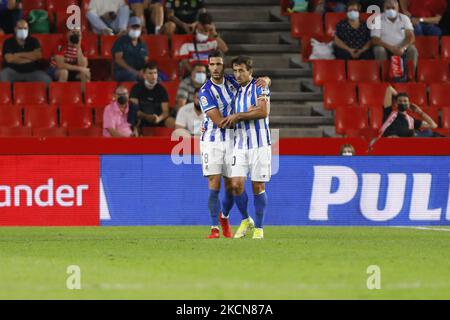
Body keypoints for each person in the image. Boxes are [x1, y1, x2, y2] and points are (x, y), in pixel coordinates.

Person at [199, 51, 271, 239]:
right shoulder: (206, 91)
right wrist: (239, 115)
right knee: (215, 183)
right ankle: (215, 228)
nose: (215, 68)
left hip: (236, 140)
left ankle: (227, 218)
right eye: (212, 64)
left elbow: (259, 86)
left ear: (223, 66)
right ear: (208, 67)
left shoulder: (234, 83)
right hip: (214, 141)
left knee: (232, 185)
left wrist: (266, 79)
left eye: (219, 64)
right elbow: (220, 121)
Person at [220, 56, 271, 240]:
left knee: (258, 185)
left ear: (250, 71)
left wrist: (239, 116)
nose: (238, 74)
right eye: (235, 70)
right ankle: (245, 219)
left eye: (242, 70)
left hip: (260, 144)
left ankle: (259, 228)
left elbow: (263, 111)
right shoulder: (236, 92)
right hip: (240, 145)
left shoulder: (260, 86)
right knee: (235, 184)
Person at [0, 20, 51, 84]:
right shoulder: (8, 42)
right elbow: (9, 59)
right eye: (20, 28)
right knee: (3, 76)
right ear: (15, 29)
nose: (23, 30)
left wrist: (18, 55)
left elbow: (38, 56)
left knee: (46, 79)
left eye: (25, 28)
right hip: (13, 71)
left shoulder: (34, 41)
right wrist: (30, 58)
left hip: (32, 71)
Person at [371, 0, 418, 70]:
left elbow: (411, 36)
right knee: (379, 50)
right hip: (385, 47)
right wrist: (391, 48)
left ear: (398, 8)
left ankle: (411, 75)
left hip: (402, 47)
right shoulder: (377, 19)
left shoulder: (405, 18)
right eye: (388, 8)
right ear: (383, 8)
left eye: (393, 8)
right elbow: (375, 39)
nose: (391, 10)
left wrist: (403, 48)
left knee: (413, 50)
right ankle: (384, 76)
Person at [129, 62, 174, 130]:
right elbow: (134, 110)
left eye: (155, 73)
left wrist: (159, 118)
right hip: (142, 118)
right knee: (133, 119)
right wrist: (146, 116)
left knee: (172, 121)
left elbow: (165, 111)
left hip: (158, 118)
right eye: (150, 73)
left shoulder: (161, 89)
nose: (153, 76)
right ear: (144, 75)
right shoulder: (136, 88)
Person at [112, 16, 148, 82]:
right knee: (132, 76)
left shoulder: (142, 44)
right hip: (123, 71)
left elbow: (146, 60)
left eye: (137, 27)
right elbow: (118, 59)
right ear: (128, 28)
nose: (135, 29)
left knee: (155, 77)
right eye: (133, 27)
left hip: (139, 72)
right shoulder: (121, 41)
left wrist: (143, 71)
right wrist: (133, 71)